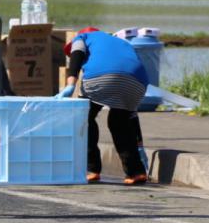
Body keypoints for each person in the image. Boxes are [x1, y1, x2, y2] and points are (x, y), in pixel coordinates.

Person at [59, 27, 149, 185]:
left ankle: (91, 169)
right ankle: (136, 172)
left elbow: (77, 55)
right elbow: (133, 115)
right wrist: (139, 144)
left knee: (84, 119)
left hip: (101, 77)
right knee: (120, 122)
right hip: (138, 82)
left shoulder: (83, 37)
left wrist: (70, 83)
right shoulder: (121, 42)